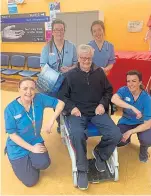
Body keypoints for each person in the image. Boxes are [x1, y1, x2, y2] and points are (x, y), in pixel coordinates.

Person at [58, 44, 122, 190]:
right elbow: (62, 96)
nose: (86, 61)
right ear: (78, 58)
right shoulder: (70, 75)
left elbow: (108, 91)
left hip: (96, 111)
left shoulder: (99, 73)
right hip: (78, 113)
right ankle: (82, 170)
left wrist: (102, 104)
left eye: (88, 58)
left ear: (92, 57)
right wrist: (72, 108)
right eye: (83, 58)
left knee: (116, 134)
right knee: (77, 134)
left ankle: (100, 154)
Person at [4, 77, 65, 187]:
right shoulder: (10, 109)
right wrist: (32, 149)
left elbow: (60, 103)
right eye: (25, 88)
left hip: (34, 140)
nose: (29, 92)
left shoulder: (39, 98)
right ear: (18, 89)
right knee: (31, 181)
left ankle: (29, 162)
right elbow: (12, 135)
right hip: (17, 146)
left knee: (44, 163)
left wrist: (51, 121)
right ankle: (16, 159)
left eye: (32, 88)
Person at [40, 19, 77, 133]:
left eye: (61, 29)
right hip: (54, 83)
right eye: (56, 29)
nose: (59, 32)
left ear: (64, 31)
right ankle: (59, 123)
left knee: (69, 102)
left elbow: (76, 64)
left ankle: (69, 122)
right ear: (52, 32)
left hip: (69, 81)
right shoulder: (47, 48)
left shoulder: (71, 46)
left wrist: (69, 68)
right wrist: (54, 74)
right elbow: (43, 67)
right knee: (57, 104)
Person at [111, 70, 151, 163]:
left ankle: (143, 150)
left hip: (142, 124)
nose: (130, 84)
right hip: (126, 121)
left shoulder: (147, 99)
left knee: (147, 139)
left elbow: (148, 124)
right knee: (117, 139)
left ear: (140, 82)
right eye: (128, 81)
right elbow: (114, 99)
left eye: (134, 81)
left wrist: (130, 132)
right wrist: (131, 107)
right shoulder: (124, 90)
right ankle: (127, 140)